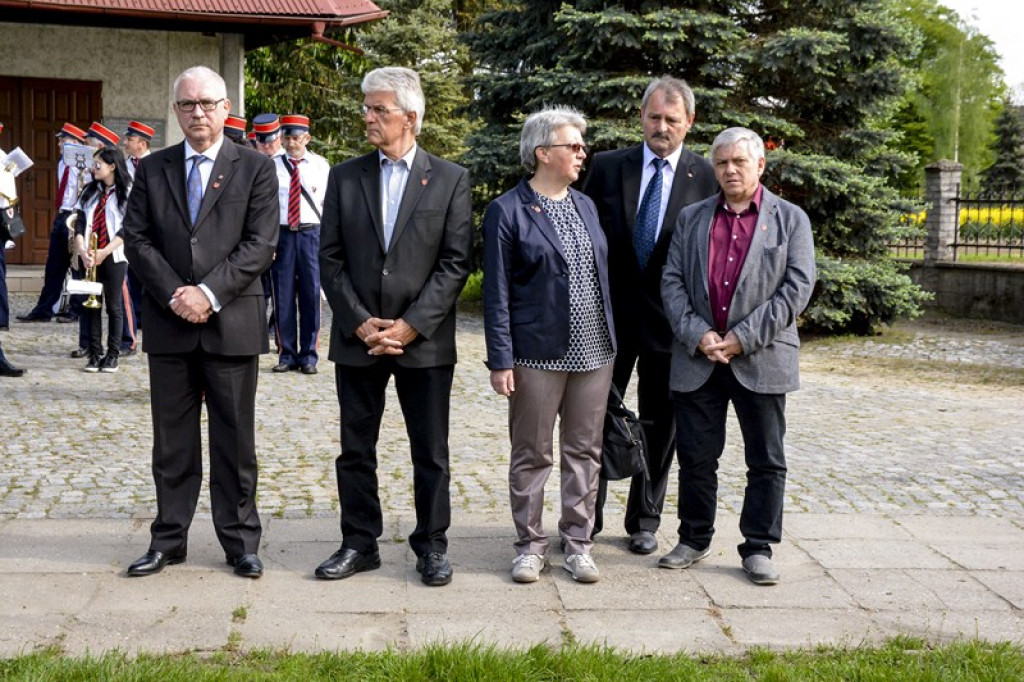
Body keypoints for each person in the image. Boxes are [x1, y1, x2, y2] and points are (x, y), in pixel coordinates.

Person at [122, 65, 279, 579]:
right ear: (175, 111)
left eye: (208, 103)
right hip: (170, 326)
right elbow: (137, 238)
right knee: (172, 442)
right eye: (188, 105)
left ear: (226, 108)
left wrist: (208, 294)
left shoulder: (254, 167)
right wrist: (175, 294)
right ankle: (169, 539)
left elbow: (260, 244)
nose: (198, 113)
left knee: (235, 441)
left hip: (230, 323)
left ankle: (239, 542)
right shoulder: (153, 168)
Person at [317, 66, 472, 587]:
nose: (367, 117)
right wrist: (360, 323)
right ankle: (359, 543)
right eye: (366, 107)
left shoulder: (450, 179)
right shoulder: (345, 176)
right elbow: (330, 259)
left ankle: (432, 544)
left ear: (410, 117)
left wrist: (410, 326)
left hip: (423, 343)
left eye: (378, 109)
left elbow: (455, 265)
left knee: (430, 450)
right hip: (358, 340)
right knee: (355, 448)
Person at [659, 126, 815, 585]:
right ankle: (693, 537)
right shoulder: (692, 218)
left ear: (759, 166)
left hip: (761, 358)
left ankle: (759, 547)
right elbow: (671, 281)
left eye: (739, 162)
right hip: (698, 357)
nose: (729, 170)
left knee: (766, 459)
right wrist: (699, 333)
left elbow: (796, 290)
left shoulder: (790, 220)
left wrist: (743, 337)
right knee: (695, 457)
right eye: (722, 162)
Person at [583, 76, 719, 556]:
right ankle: (586, 518)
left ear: (690, 123)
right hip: (608, 320)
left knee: (661, 425)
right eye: (654, 117)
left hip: (671, 324)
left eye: (672, 120)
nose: (661, 127)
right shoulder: (605, 167)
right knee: (595, 418)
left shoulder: (706, 177)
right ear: (641, 117)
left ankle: (645, 519)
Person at [483, 106, 616, 584]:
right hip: (536, 353)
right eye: (573, 146)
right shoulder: (507, 210)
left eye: (583, 146)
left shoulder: (585, 204)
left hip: (595, 351)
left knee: (584, 450)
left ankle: (578, 543)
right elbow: (496, 292)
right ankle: (530, 545)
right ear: (543, 153)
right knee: (532, 453)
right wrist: (501, 359)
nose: (583, 153)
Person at [269, 114, 329, 374]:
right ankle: (286, 353)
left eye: (297, 138)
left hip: (310, 234)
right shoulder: (272, 166)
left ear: (307, 138)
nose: (292, 144)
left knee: (310, 295)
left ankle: (309, 355)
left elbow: (327, 206)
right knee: (281, 295)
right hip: (281, 234)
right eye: (287, 138)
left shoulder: (320, 166)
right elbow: (266, 207)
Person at [16, 122, 87, 324]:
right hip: (62, 215)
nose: (59, 143)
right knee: (54, 264)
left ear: (75, 143)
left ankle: (76, 309)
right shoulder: (62, 162)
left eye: (63, 140)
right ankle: (45, 308)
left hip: (77, 216)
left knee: (77, 265)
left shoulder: (84, 165)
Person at [72, 147, 130, 373]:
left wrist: (104, 251)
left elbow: (128, 228)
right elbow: (79, 222)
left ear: (112, 166)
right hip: (90, 254)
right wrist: (82, 249)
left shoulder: (127, 191)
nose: (93, 168)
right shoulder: (90, 191)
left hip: (114, 255)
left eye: (98, 165)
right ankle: (94, 354)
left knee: (113, 306)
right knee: (91, 305)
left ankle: (113, 354)